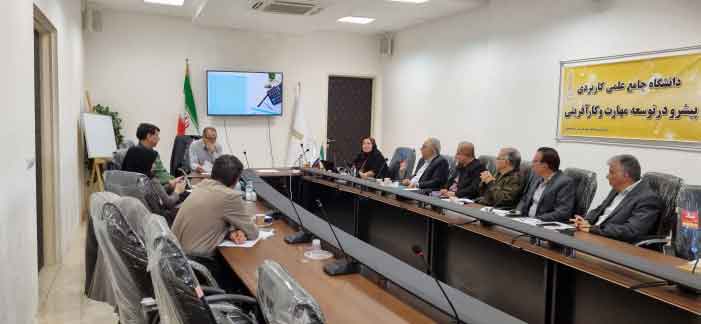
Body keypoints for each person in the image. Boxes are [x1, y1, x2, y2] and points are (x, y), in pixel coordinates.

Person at [172, 155, 258, 293]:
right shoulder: (229, 196)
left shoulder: (201, 186)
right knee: (242, 279)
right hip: (199, 265)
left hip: (177, 260)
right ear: (236, 180)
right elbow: (253, 232)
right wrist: (239, 229)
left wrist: (232, 231)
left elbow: (215, 216)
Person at [572, 155, 663, 243]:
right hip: (594, 234)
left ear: (626, 175)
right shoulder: (617, 188)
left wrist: (594, 229)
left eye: (611, 172)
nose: (607, 176)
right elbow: (599, 210)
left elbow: (631, 230)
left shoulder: (648, 198)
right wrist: (585, 221)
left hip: (612, 242)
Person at [121, 145, 185, 223]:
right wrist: (177, 191)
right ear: (143, 162)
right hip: (161, 220)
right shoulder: (150, 179)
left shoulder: (125, 179)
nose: (154, 166)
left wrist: (169, 186)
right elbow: (168, 203)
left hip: (137, 221)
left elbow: (150, 194)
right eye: (152, 162)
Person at [519, 147, 575, 222]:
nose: (532, 164)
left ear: (545, 165)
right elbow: (525, 199)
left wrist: (536, 219)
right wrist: (516, 212)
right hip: (525, 221)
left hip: (543, 224)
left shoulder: (565, 182)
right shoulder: (536, 177)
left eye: (535, 161)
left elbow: (562, 212)